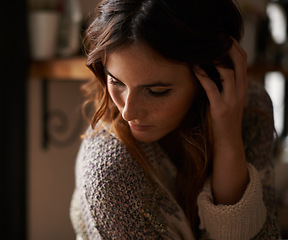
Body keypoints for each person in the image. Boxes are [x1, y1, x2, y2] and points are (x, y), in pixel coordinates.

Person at [70, 0, 281, 239]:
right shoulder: (109, 172)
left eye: (156, 91)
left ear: (210, 77)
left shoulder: (251, 111)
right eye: (116, 82)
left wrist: (228, 138)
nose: (128, 112)